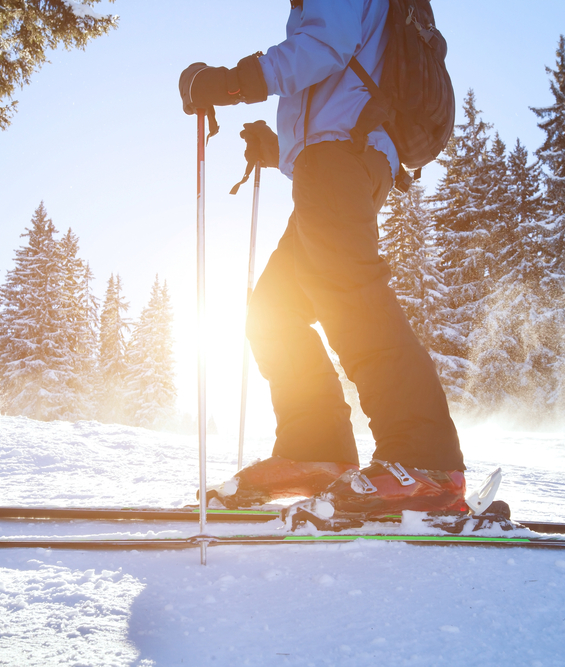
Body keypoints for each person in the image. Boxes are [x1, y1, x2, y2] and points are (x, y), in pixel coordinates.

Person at [179, 0, 467, 520]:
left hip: (341, 158)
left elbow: (323, 48)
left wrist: (235, 82)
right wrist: (279, 149)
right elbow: (341, 89)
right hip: (336, 160)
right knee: (273, 310)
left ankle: (424, 461)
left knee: (349, 296)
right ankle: (316, 449)